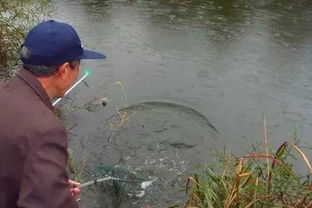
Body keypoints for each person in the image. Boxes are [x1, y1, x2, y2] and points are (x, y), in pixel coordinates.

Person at [0, 20, 106, 208]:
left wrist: (50, 184)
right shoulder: (46, 130)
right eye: (78, 64)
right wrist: (58, 198)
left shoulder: (5, 92)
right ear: (64, 70)